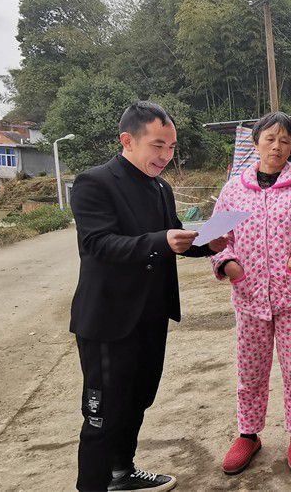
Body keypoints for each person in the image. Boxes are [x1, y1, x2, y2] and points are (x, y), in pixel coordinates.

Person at [69, 101, 227, 492]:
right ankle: (92, 486)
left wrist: (209, 244)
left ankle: (122, 474)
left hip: (150, 316)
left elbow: (174, 237)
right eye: (158, 146)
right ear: (128, 140)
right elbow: (98, 244)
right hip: (109, 320)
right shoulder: (95, 182)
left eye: (171, 148)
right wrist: (161, 240)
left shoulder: (161, 187)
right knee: (103, 413)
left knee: (137, 399)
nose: (166, 156)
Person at [209, 112, 291, 474]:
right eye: (269, 139)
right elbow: (217, 238)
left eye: (285, 141)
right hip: (249, 297)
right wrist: (226, 261)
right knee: (251, 370)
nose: (277, 146)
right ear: (256, 143)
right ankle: (249, 434)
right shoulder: (234, 190)